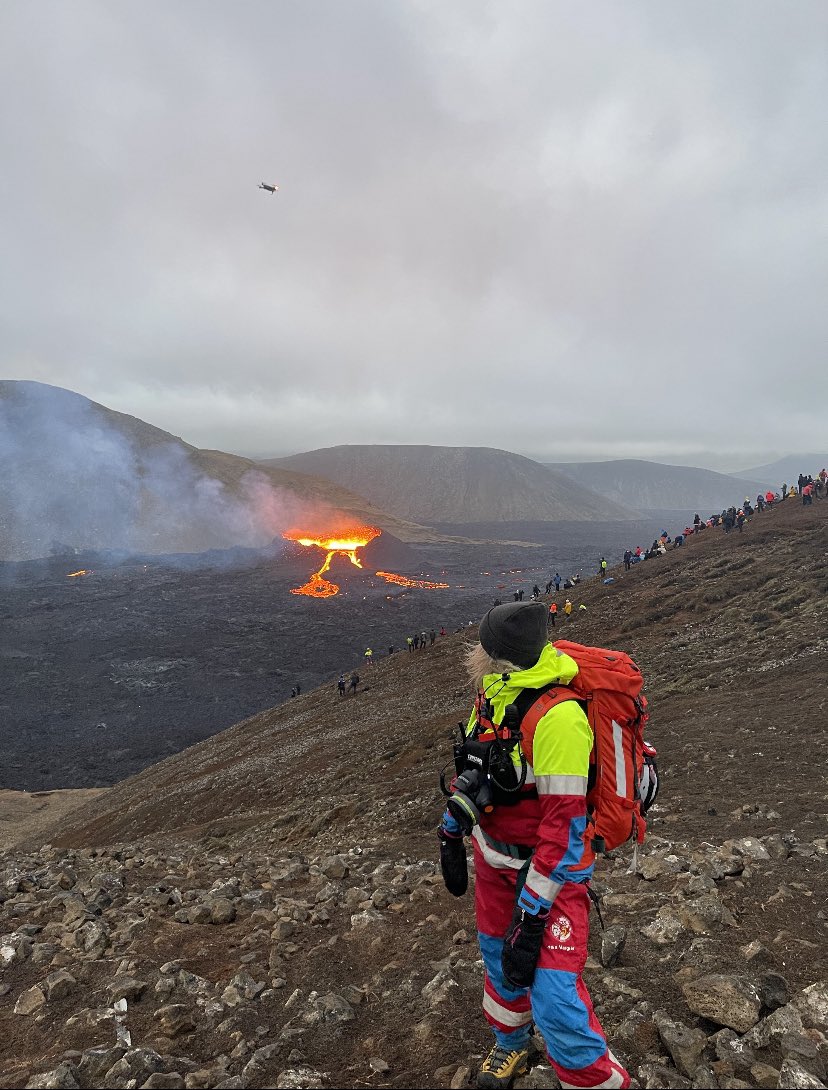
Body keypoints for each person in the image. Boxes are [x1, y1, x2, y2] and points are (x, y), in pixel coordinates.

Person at [437, 602, 630, 1090]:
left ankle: (597, 1083)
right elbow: (490, 765)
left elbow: (564, 828)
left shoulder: (560, 718)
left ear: (494, 653)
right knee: (497, 959)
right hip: (494, 858)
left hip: (548, 875)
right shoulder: (493, 694)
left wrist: (533, 911)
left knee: (553, 990)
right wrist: (460, 811)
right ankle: (511, 1046)